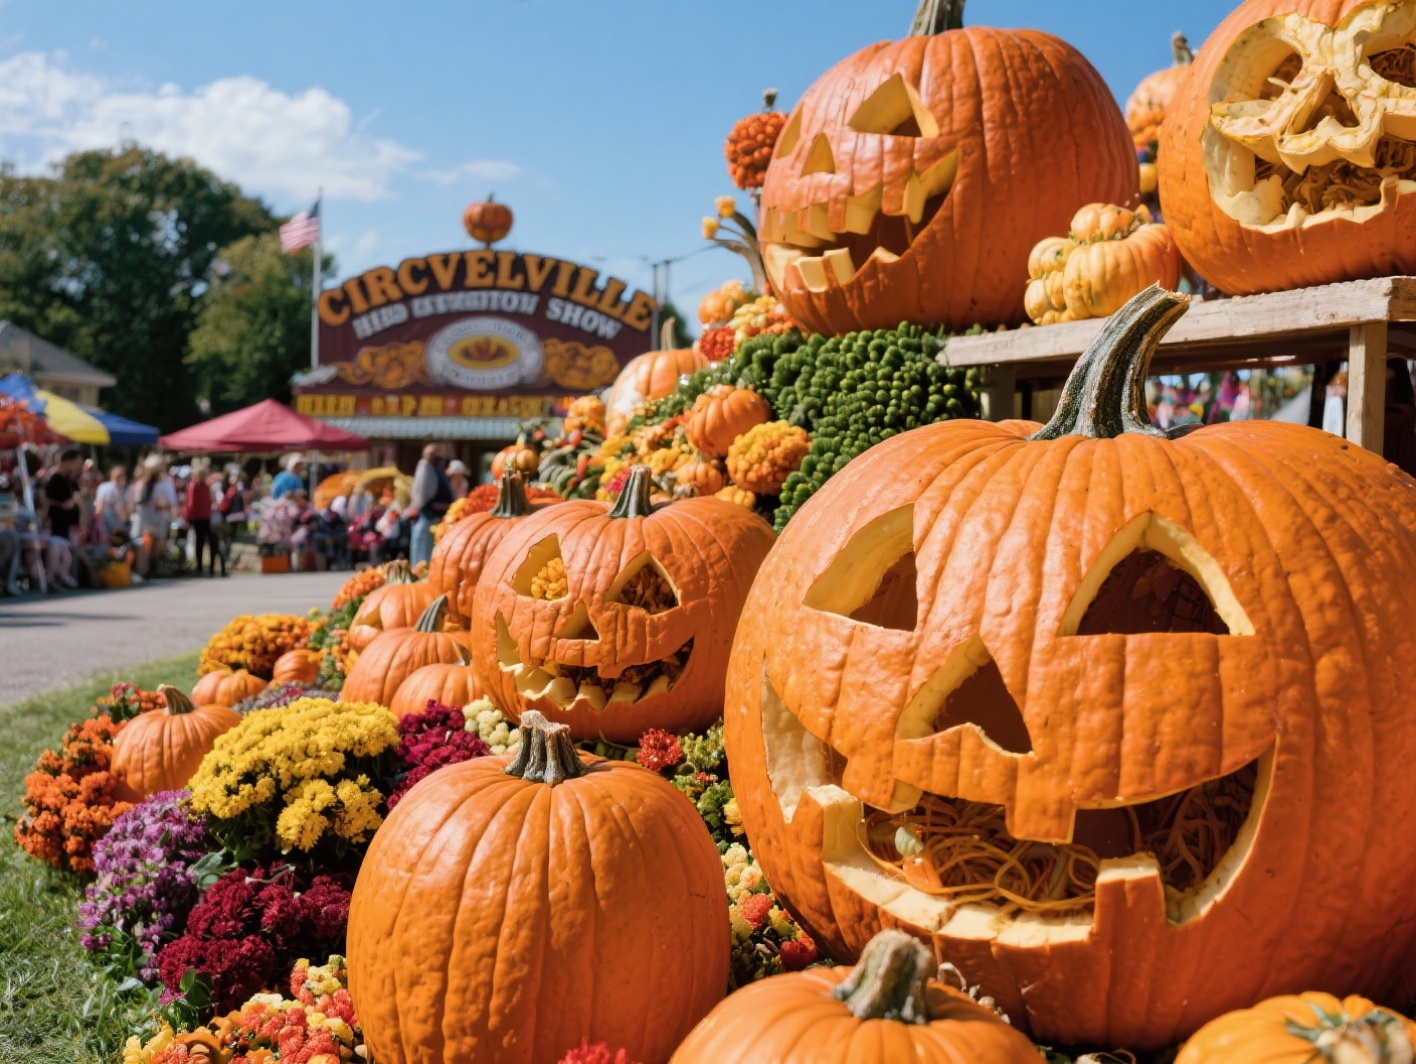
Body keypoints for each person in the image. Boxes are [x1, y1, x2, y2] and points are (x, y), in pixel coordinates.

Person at [129, 455, 177, 579]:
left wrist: (167, 507)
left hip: (159, 517)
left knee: (158, 542)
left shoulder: (166, 482)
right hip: (145, 517)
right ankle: (142, 569)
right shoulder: (142, 482)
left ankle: (152, 567)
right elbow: (137, 500)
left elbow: (170, 502)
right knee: (143, 542)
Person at [406, 443, 452, 568]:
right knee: (422, 556)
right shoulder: (426, 469)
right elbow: (422, 495)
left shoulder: (435, 469)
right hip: (428, 516)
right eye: (434, 454)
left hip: (436, 518)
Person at [43, 447, 83, 588]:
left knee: (65, 554)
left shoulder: (67, 478)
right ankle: (51, 577)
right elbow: (49, 501)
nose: (79, 465)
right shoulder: (56, 477)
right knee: (57, 550)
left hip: (64, 524)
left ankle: (60, 576)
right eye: (77, 462)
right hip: (56, 522)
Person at [183, 459, 221, 577]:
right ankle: (199, 566)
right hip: (196, 517)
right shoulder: (193, 486)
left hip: (206, 516)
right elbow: (190, 503)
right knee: (199, 541)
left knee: (211, 540)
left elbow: (210, 500)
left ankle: (211, 566)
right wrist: (188, 517)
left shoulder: (207, 486)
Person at [93, 465, 130, 539]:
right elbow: (99, 505)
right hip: (106, 520)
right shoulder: (109, 487)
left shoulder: (120, 489)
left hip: (111, 521)